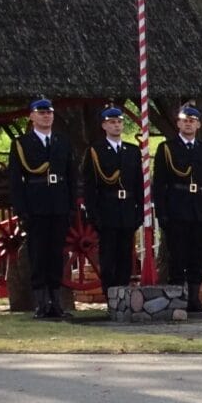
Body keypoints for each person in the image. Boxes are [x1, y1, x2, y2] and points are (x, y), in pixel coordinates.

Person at [7, 96, 77, 319]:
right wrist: (21, 209)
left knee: (56, 254)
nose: (46, 116)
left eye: (49, 113)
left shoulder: (62, 142)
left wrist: (71, 206)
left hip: (59, 204)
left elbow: (71, 176)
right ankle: (40, 303)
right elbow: (16, 180)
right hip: (35, 204)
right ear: (32, 116)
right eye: (41, 112)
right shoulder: (22, 144)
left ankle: (56, 302)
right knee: (37, 254)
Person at [154, 102, 202, 312]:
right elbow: (159, 183)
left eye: (192, 121)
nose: (188, 124)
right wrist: (161, 212)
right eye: (185, 121)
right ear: (178, 123)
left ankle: (194, 299)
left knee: (197, 255)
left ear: (198, 125)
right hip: (177, 208)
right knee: (177, 255)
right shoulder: (167, 149)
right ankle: (177, 298)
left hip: (199, 209)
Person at [81, 105, 143, 293]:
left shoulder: (132, 151)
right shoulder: (95, 151)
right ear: (104, 126)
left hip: (127, 209)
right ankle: (111, 295)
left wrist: (139, 211)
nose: (116, 126)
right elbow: (90, 186)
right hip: (107, 208)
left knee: (125, 255)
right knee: (108, 256)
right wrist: (94, 214)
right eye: (112, 122)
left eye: (119, 122)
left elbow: (138, 184)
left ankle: (123, 293)